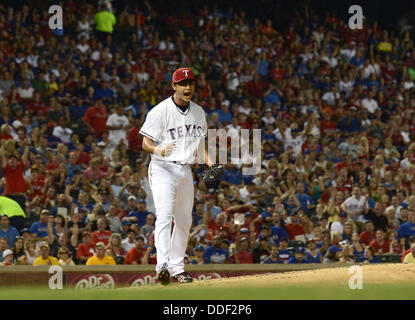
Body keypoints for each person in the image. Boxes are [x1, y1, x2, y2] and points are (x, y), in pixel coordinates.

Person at [139, 67, 213, 284]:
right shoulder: (159, 111)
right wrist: (158, 150)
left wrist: (211, 164)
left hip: (184, 169)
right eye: (182, 83)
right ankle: (162, 265)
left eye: (190, 83)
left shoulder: (198, 112)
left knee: (184, 219)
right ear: (174, 86)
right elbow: (145, 142)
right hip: (162, 168)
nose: (187, 87)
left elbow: (200, 144)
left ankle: (177, 268)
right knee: (164, 215)